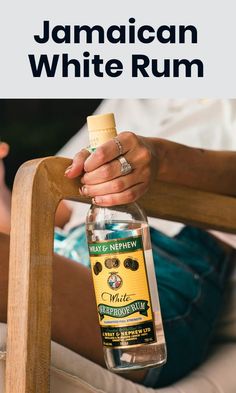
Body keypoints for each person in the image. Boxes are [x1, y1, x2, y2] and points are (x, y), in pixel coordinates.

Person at [0, 132, 235, 388]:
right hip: (67, 250)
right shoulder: (126, 101)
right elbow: (55, 201)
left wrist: (161, 156)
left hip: (159, 272)